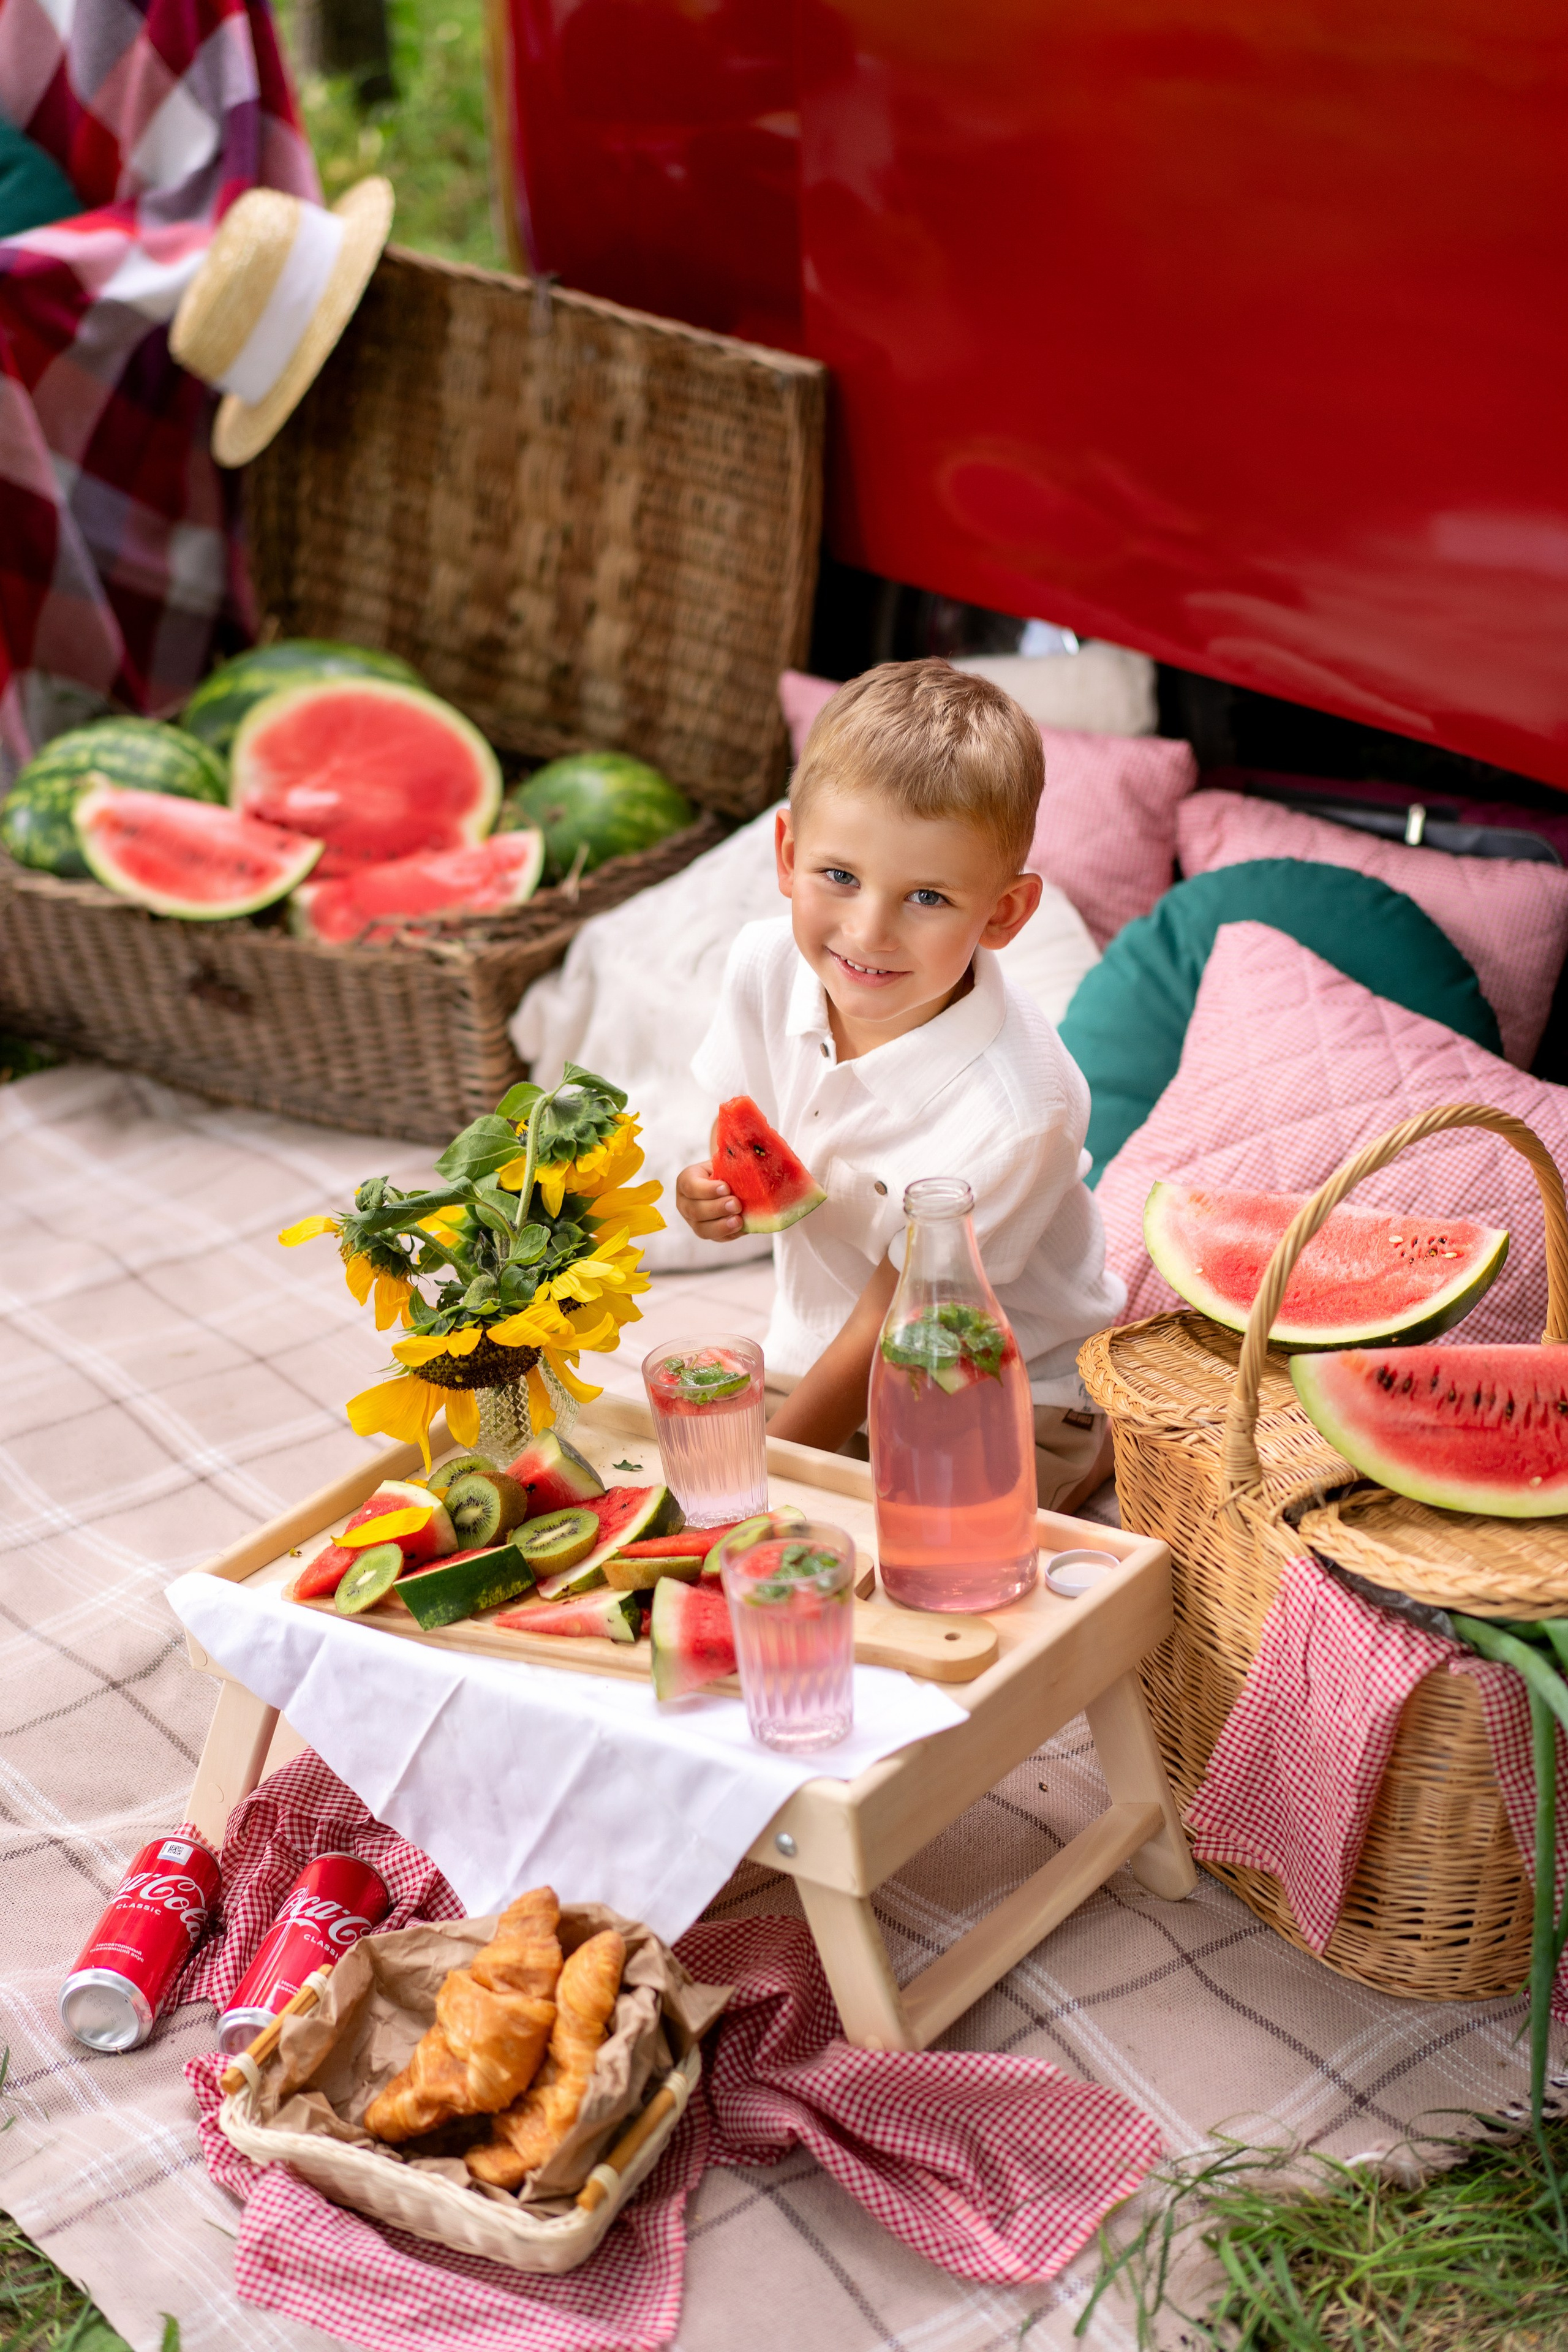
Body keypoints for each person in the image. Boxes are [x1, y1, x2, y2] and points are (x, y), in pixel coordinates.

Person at [677, 657, 1125, 1513]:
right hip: (819, 1353)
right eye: (840, 877)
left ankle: (1096, 1443)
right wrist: (707, 1191)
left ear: (1003, 914)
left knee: (915, 1550)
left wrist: (761, 1484)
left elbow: (895, 1327)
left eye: (925, 896)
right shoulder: (763, 965)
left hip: (1003, 1388)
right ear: (788, 854)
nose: (868, 931)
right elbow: (741, 1128)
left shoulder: (1020, 1112)